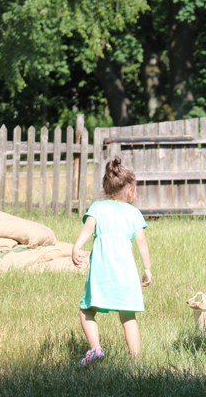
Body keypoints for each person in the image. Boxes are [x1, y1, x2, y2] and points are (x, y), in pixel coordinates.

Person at [72, 157, 152, 366]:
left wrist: (76, 247)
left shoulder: (98, 207)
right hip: (126, 275)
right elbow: (142, 243)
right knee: (128, 317)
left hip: (101, 273)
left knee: (87, 310)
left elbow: (88, 229)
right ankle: (136, 360)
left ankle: (95, 348)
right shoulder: (134, 213)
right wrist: (148, 269)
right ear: (130, 191)